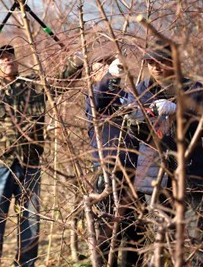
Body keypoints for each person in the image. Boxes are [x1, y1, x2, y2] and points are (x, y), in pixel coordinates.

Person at [0, 45, 83, 267]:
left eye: (11, 56)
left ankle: (26, 264)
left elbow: (61, 83)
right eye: (1, 58)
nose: (7, 60)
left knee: (31, 222)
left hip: (31, 164)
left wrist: (76, 61)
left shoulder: (33, 85)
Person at [127, 41, 203, 267]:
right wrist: (135, 119)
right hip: (154, 175)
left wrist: (179, 112)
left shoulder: (192, 89)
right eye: (150, 63)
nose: (155, 67)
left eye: (161, 62)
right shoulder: (139, 91)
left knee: (196, 238)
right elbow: (132, 134)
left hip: (189, 172)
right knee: (161, 238)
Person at [86, 52, 144, 266]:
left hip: (135, 170)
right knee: (108, 229)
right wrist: (109, 76)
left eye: (108, 66)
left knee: (134, 230)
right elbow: (99, 98)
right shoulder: (93, 97)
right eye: (98, 69)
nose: (105, 71)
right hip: (108, 170)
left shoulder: (127, 96)